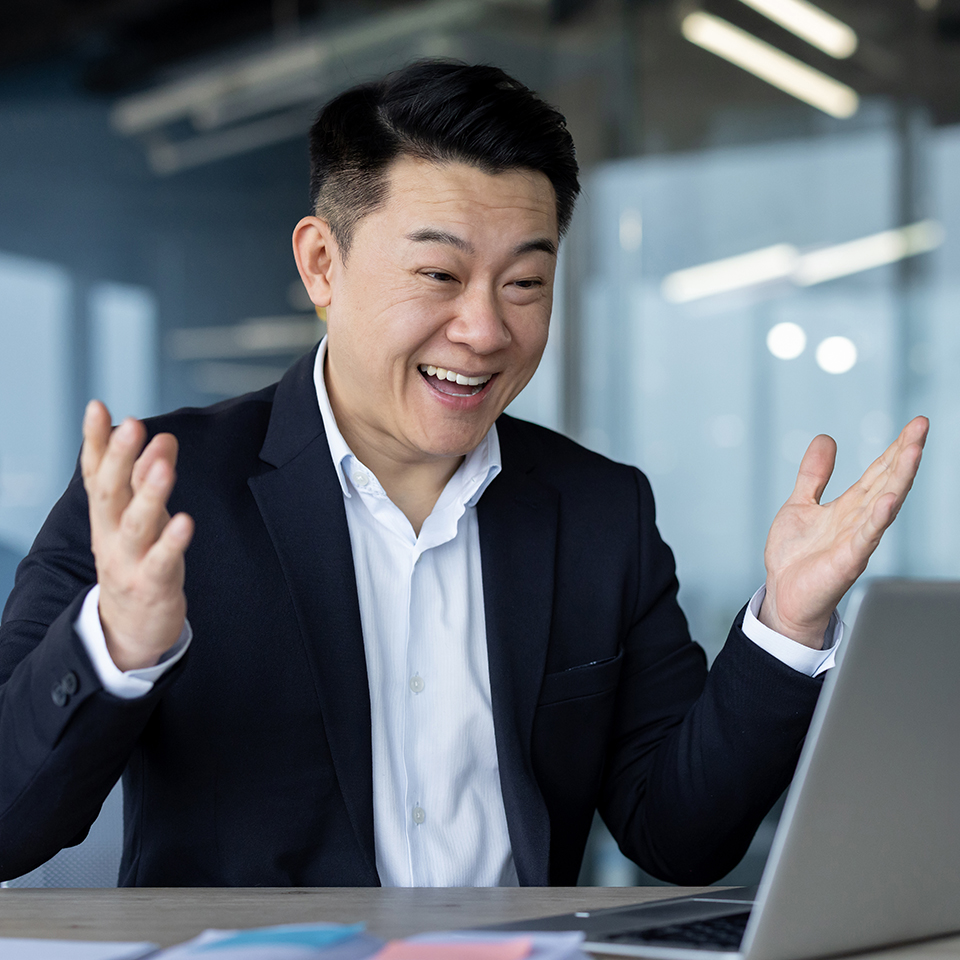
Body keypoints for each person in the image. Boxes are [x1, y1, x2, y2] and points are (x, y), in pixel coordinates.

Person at [0, 61, 927, 888]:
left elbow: (680, 834)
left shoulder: (600, 510)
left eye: (524, 284)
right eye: (439, 276)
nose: (485, 331)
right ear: (323, 263)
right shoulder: (154, 492)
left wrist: (787, 624)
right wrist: (115, 647)